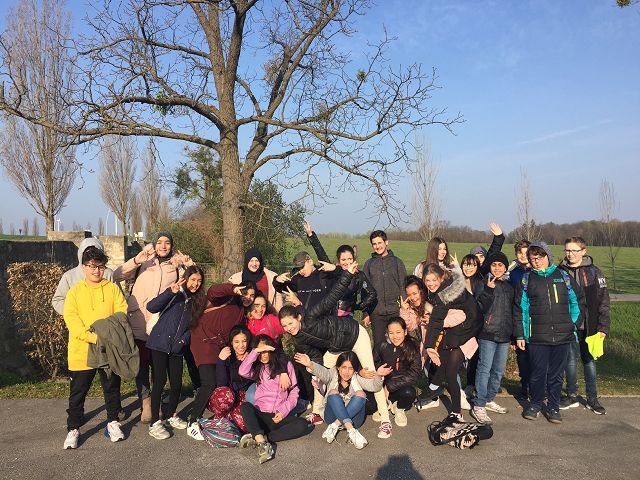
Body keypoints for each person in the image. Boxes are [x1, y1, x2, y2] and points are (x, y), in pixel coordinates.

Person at [280, 264, 395, 439]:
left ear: (299, 318)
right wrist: (314, 371)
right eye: (285, 326)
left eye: (291, 323)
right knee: (319, 375)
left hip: (355, 335)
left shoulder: (311, 315)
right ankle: (318, 412)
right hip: (336, 347)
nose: (289, 328)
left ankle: (385, 420)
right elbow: (315, 355)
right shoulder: (298, 340)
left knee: (371, 373)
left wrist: (347, 274)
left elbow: (332, 297)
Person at [113, 231, 193, 423]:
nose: (163, 246)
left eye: (167, 242)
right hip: (139, 319)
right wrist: (136, 261)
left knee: (158, 365)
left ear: (171, 245)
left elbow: (193, 284)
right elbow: (116, 276)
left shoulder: (176, 266)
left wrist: (189, 266)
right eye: (160, 242)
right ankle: (146, 401)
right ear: (154, 244)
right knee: (141, 364)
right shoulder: (144, 262)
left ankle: (156, 398)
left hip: (162, 322)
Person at [62, 247, 128, 449]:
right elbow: (72, 322)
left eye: (100, 266)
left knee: (111, 388)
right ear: (83, 267)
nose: (96, 271)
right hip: (82, 350)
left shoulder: (112, 289)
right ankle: (73, 428)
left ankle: (113, 422)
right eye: (92, 266)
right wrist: (93, 337)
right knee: (78, 393)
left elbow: (121, 313)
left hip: (108, 349)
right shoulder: (74, 292)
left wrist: (107, 336)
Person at [514, 241, 583, 424]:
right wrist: (520, 334)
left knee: (556, 375)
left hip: (563, 336)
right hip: (537, 336)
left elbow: (577, 302)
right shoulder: (526, 280)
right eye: (532, 259)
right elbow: (520, 309)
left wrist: (572, 325)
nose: (536, 261)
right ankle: (535, 404)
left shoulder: (563, 276)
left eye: (539, 257)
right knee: (537, 374)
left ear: (547, 256)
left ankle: (553, 407)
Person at [187, 281, 257, 440]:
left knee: (220, 383)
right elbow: (213, 291)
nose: (248, 297)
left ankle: (219, 415)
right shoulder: (228, 298)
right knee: (209, 382)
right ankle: (193, 422)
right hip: (204, 342)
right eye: (245, 293)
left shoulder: (242, 311)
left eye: (252, 295)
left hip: (220, 347)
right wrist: (233, 289)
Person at [145, 265, 204, 439]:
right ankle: (154, 422)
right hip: (159, 343)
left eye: (199, 281)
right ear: (186, 278)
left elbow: (193, 326)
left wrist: (183, 341)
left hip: (177, 347)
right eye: (193, 279)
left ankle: (171, 415)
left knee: (177, 384)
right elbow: (151, 307)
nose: (195, 284)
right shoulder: (175, 293)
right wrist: (170, 292)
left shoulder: (197, 301)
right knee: (160, 382)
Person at [238, 335, 313, 464]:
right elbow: (242, 371)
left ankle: (262, 437)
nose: (264, 355)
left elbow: (294, 391)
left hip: (278, 416)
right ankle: (262, 444)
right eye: (261, 352)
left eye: (266, 351)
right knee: (245, 407)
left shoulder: (286, 366)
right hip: (262, 415)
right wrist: (256, 351)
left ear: (272, 349)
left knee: (303, 424)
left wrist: (283, 411)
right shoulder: (258, 369)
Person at [422, 263, 480, 422]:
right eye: (427, 280)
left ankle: (456, 413)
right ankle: (434, 389)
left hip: (464, 336)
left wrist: (429, 345)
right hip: (456, 334)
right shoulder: (445, 289)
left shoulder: (445, 294)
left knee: (450, 373)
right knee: (444, 366)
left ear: (441, 278)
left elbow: (438, 321)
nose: (431, 284)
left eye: (434, 280)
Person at [559, 237, 610, 415]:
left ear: (583, 251)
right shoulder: (560, 271)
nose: (570, 254)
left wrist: (603, 328)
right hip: (568, 326)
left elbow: (603, 302)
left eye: (574, 250)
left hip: (590, 326)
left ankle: (592, 399)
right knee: (569, 362)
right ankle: (571, 395)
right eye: (568, 250)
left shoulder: (595, 272)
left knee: (589, 362)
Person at [294, 351, 383, 449]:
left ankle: (334, 426)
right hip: (331, 417)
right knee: (333, 392)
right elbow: (322, 372)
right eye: (344, 367)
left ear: (354, 370)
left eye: (350, 368)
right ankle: (351, 431)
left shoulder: (356, 378)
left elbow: (374, 387)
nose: (347, 372)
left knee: (361, 394)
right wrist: (310, 364)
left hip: (354, 420)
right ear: (338, 367)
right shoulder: (332, 375)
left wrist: (378, 375)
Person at [470, 252, 514, 425]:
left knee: (498, 371)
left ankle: (489, 398)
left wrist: (514, 334)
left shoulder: (509, 287)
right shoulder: (483, 284)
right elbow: (479, 308)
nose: (497, 268)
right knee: (484, 369)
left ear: (505, 267)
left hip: (505, 335)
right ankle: (479, 404)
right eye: (494, 265)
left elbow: (513, 311)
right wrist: (488, 289)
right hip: (487, 333)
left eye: (500, 265)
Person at [304, 220, 377, 319]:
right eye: (343, 260)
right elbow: (321, 255)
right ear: (339, 260)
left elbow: (372, 293)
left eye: (350, 259)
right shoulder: (333, 272)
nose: (347, 262)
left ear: (354, 259)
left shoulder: (358, 275)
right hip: (329, 316)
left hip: (347, 317)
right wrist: (311, 235)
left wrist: (358, 306)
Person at [374, 318, 422, 428]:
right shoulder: (381, 346)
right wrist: (378, 372)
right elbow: (372, 363)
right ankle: (385, 404)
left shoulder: (413, 347)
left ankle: (399, 408)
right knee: (369, 406)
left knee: (409, 393)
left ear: (405, 332)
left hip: (401, 386)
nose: (395, 336)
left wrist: (390, 386)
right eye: (391, 333)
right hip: (382, 385)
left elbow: (415, 374)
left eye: (398, 332)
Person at [363, 230, 407, 348]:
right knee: (379, 346)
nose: (377, 246)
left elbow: (403, 286)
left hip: (395, 311)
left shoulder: (397, 262)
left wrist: (405, 307)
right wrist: (365, 313)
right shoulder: (368, 264)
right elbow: (364, 291)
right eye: (374, 244)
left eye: (380, 243)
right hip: (376, 313)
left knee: (397, 344)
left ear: (386, 242)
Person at [52, 237, 115, 316]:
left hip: (105, 321)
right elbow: (58, 300)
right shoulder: (69, 276)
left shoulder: (108, 274)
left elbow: (119, 300)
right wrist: (74, 313)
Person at [209, 326, 253, 432]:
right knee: (226, 394)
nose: (241, 345)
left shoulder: (253, 356)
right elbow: (221, 383)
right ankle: (218, 419)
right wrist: (221, 360)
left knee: (245, 425)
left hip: (241, 397)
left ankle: (229, 418)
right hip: (224, 396)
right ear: (231, 343)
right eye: (237, 342)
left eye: (244, 341)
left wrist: (249, 360)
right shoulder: (227, 356)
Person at [508, 239, 531, 401]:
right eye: (519, 253)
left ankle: (536, 386)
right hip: (518, 319)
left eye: (526, 252)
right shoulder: (513, 272)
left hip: (535, 320)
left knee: (536, 357)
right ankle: (525, 386)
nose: (523, 256)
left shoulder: (536, 270)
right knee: (522, 357)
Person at [229, 247, 283, 312]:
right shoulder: (236, 278)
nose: (254, 264)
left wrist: (278, 314)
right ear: (247, 261)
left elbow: (278, 297)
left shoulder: (271, 276)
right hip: (244, 314)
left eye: (257, 261)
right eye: (251, 261)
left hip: (265, 313)